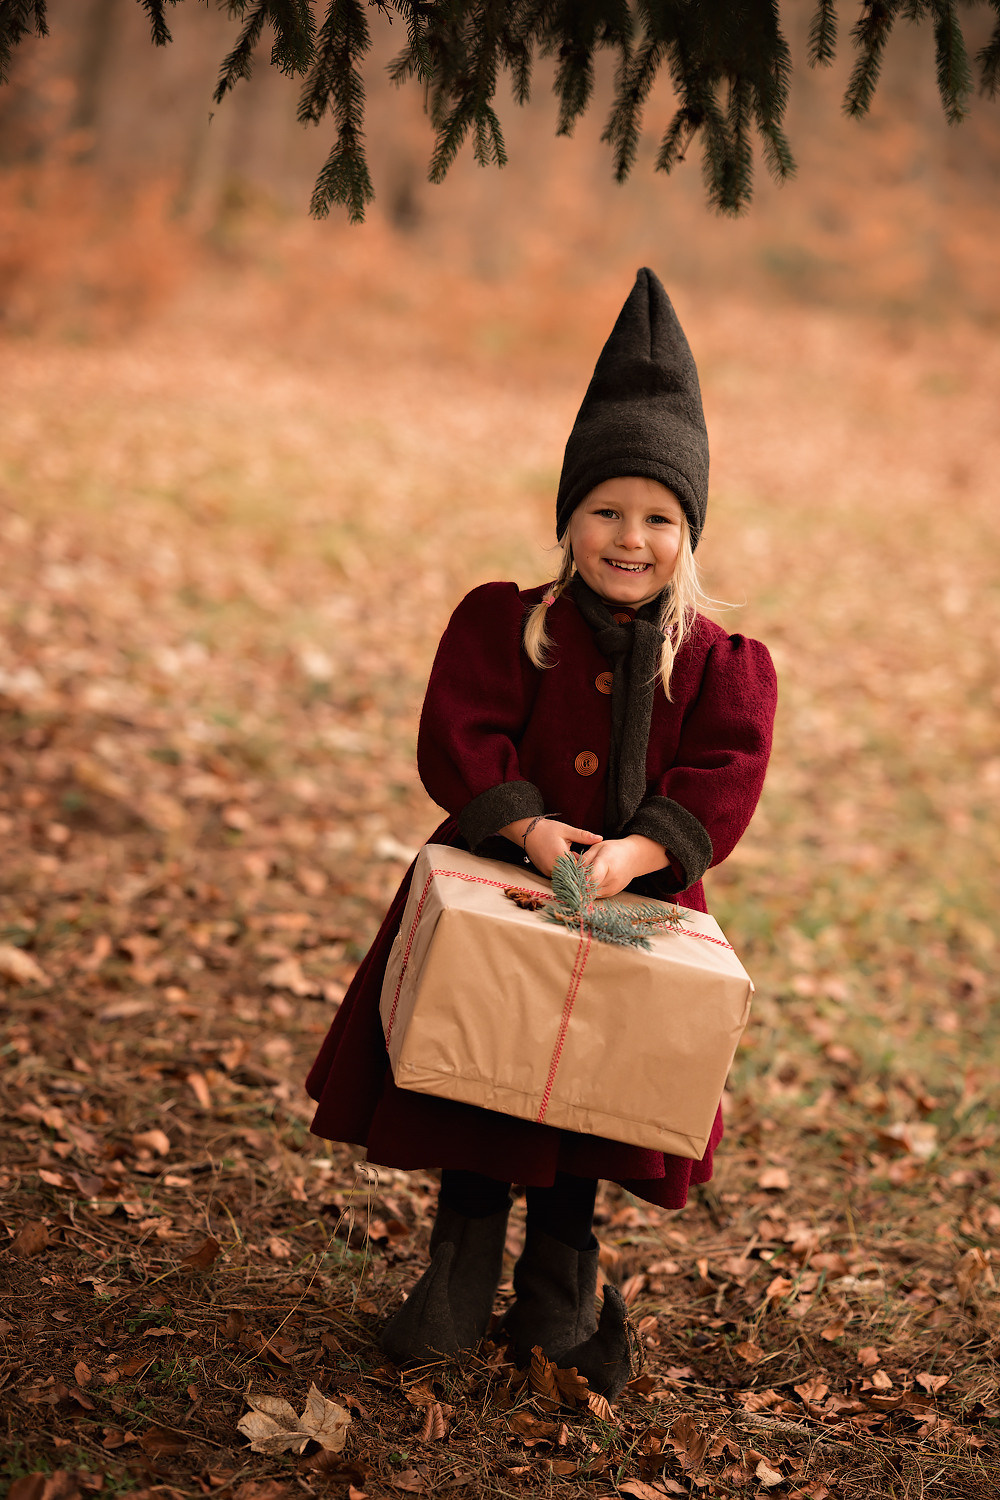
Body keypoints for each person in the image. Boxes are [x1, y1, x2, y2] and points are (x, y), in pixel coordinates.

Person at [306, 268, 777, 1398]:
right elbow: (457, 737)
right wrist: (529, 833)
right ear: (569, 516)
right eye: (607, 510)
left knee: (592, 1098)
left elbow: (726, 772)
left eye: (658, 518)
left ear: (688, 531)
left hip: (634, 906)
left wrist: (631, 852)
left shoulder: (717, 660)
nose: (630, 537)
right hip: (503, 894)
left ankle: (559, 1293)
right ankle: (456, 1280)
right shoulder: (511, 625)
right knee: (482, 1073)